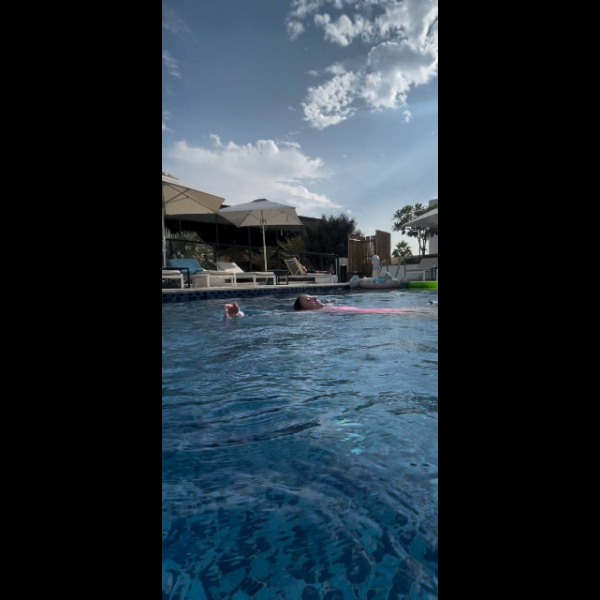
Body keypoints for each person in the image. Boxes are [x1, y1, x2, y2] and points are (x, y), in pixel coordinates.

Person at [292, 295, 414, 314]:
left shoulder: (323, 307)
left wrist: (331, 302)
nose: (315, 298)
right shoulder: (311, 313)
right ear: (304, 308)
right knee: (398, 312)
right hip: (360, 312)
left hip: (359, 310)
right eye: (309, 300)